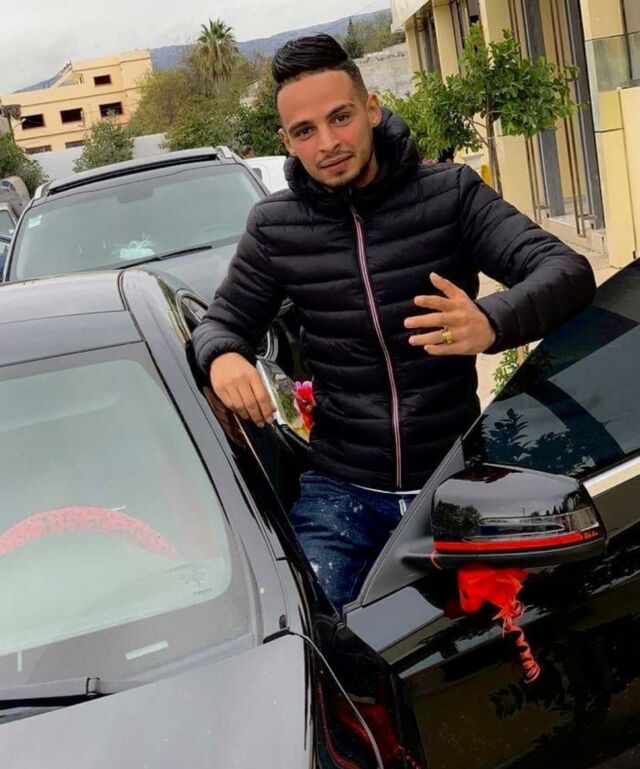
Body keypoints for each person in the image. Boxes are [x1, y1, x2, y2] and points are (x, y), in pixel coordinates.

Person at [193, 34, 596, 612]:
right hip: (342, 491)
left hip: (455, 481)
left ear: (372, 109)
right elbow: (220, 323)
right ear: (287, 142)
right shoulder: (276, 227)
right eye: (305, 131)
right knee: (310, 628)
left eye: (340, 118)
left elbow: (567, 271)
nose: (328, 143)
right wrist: (223, 356)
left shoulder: (449, 195)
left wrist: (491, 321)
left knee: (510, 631)